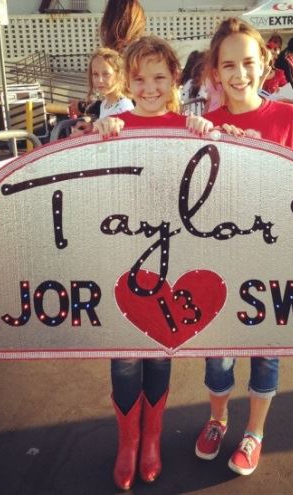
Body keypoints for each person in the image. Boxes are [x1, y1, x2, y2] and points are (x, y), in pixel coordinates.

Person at [185, 17, 293, 478]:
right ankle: (218, 419)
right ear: (215, 73)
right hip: (217, 263)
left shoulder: (288, 117)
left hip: (271, 260)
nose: (239, 73)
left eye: (248, 62)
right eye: (228, 65)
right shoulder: (203, 126)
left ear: (265, 65)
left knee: (265, 353)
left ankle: (254, 432)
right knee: (217, 356)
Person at [93, 36, 186, 491]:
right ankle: (128, 442)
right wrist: (100, 137)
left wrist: (214, 135)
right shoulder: (114, 124)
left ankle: (153, 438)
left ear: (174, 80)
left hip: (173, 259)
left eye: (159, 78)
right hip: (122, 259)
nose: (149, 88)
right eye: (139, 78)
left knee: (160, 349)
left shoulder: (191, 126)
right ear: (127, 81)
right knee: (126, 355)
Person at [71, 47, 133, 136]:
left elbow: (116, 140)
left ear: (119, 75)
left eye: (106, 74)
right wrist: (90, 128)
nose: (100, 80)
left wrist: (84, 136)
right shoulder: (105, 103)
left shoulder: (124, 107)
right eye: (95, 74)